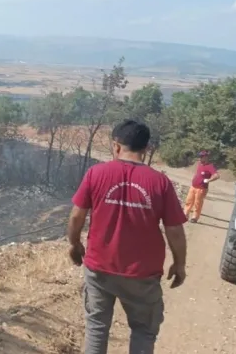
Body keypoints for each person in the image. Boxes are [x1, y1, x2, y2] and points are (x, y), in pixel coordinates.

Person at [67, 119, 188, 354]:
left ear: (116, 145)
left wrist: (74, 244)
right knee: (143, 330)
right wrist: (180, 263)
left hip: (99, 268)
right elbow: (174, 229)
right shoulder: (159, 181)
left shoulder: (96, 174)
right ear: (146, 149)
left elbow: (76, 217)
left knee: (97, 328)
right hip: (142, 274)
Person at [184, 150, 219, 223]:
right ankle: (185, 214)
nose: (200, 158)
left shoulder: (210, 166)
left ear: (206, 157)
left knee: (198, 203)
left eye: (202, 157)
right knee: (188, 201)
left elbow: (217, 176)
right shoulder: (199, 164)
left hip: (201, 188)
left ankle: (195, 217)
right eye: (200, 156)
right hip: (193, 187)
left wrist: (208, 180)